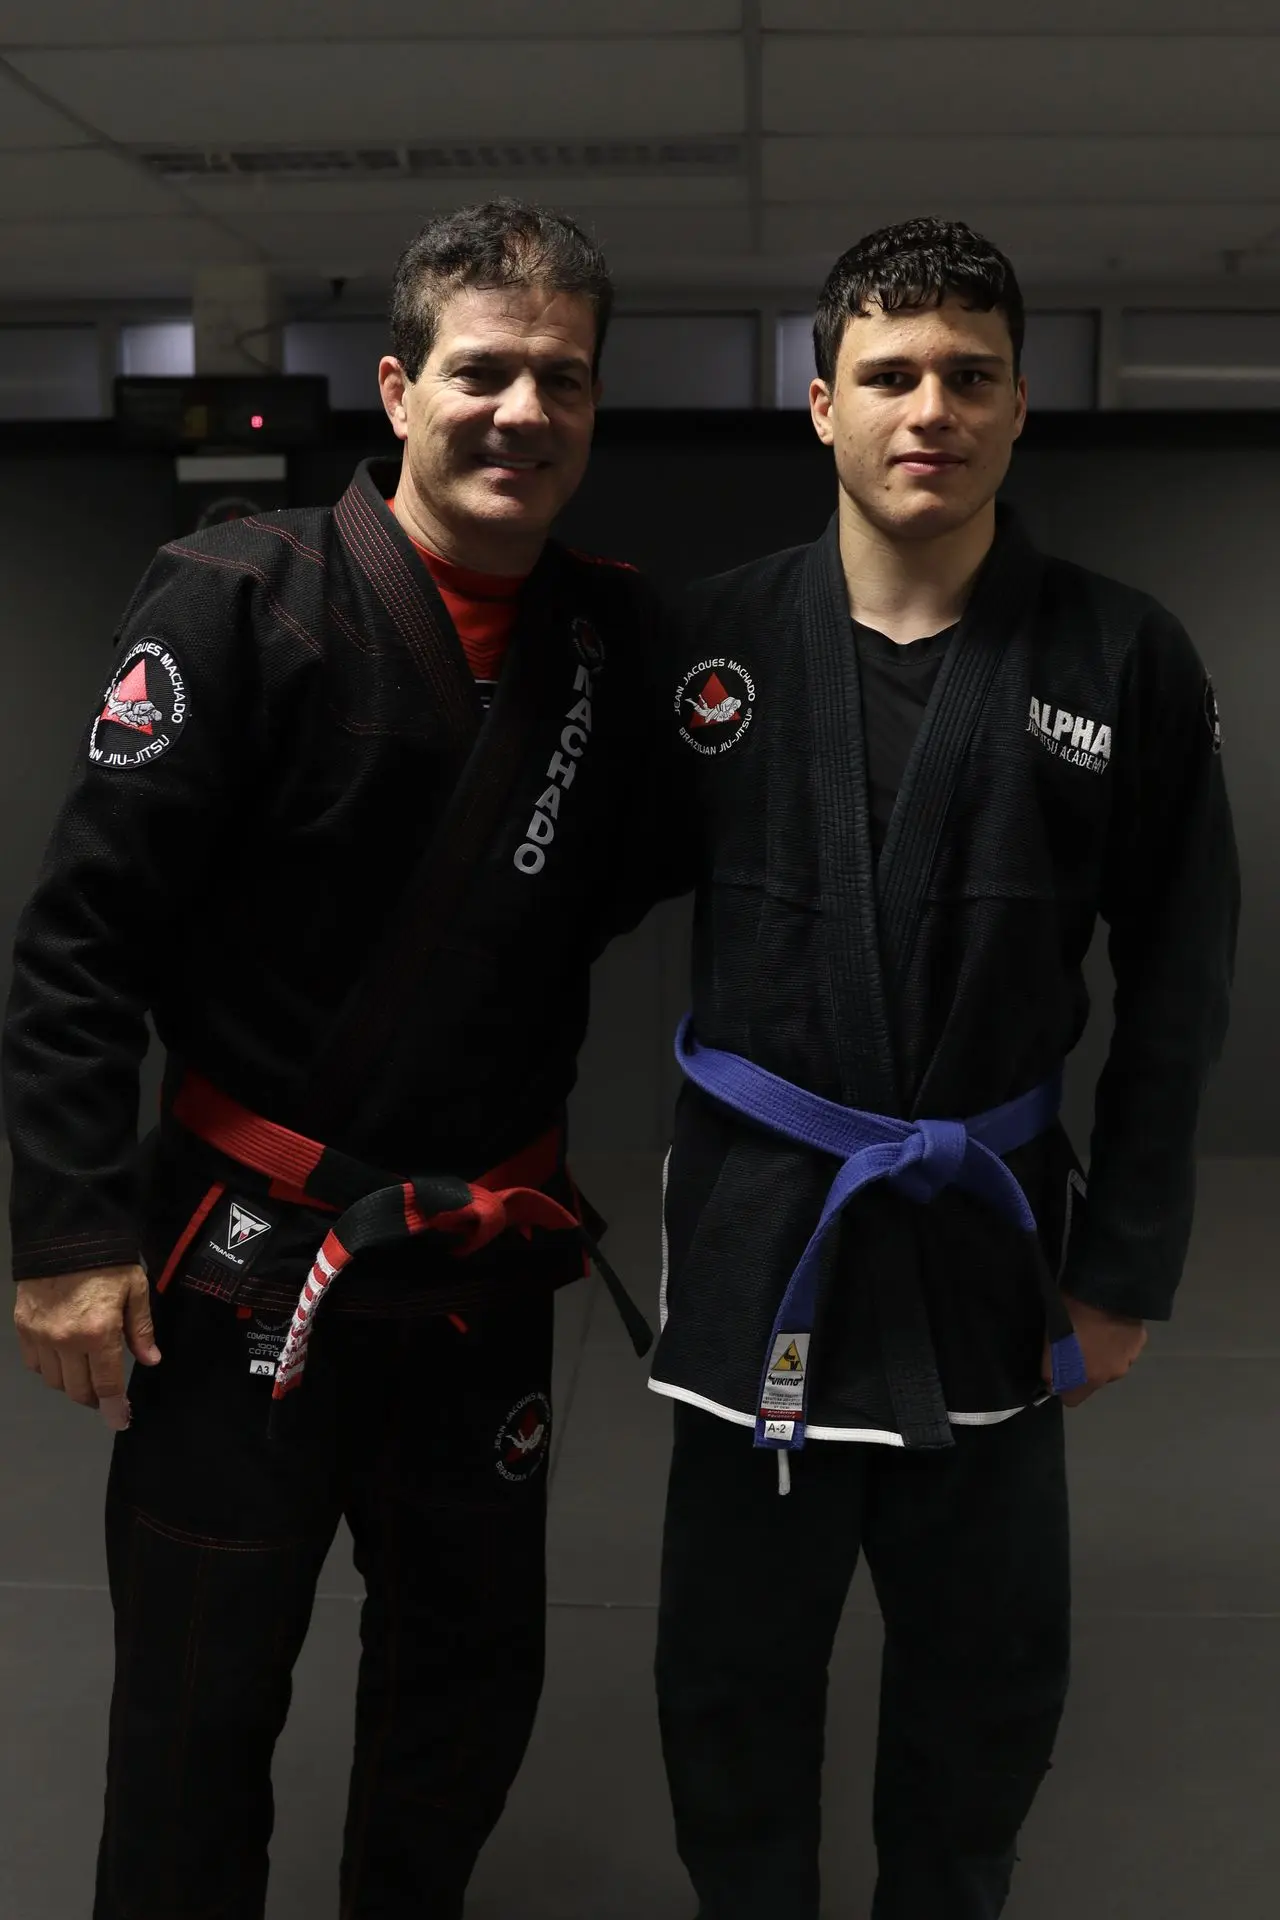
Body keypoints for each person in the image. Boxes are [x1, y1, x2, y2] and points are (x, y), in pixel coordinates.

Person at [4, 198, 661, 1920]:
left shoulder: (620, 643)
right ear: (397, 387)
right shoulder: (238, 596)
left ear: (596, 408)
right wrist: (69, 1236)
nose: (522, 410)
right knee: (196, 1701)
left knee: (469, 1681)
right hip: (243, 1266)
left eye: (563, 380)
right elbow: (82, 943)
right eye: (484, 372)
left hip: (477, 1264)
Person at [645, 219, 1239, 1919]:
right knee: (728, 1703)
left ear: (1021, 408)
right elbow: (537, 913)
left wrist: (1119, 1267)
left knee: (984, 1710)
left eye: (969, 375)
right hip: (765, 1253)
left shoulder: (1121, 656)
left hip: (993, 1264)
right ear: (817, 403)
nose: (931, 408)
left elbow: (1179, 986)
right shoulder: (712, 649)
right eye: (890, 374)